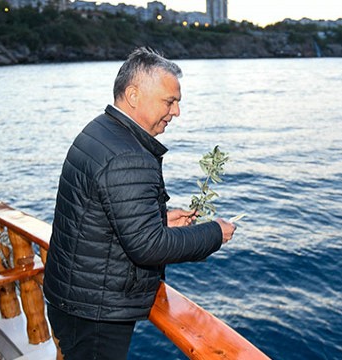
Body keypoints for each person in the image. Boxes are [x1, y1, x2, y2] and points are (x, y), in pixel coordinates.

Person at [43, 47, 236, 360]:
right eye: (169, 102)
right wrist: (215, 233)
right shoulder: (129, 156)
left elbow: (100, 215)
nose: (176, 113)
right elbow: (148, 247)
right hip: (95, 312)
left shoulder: (100, 131)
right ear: (133, 95)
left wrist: (158, 217)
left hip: (74, 298)